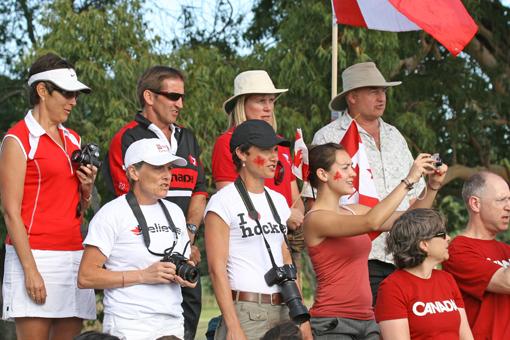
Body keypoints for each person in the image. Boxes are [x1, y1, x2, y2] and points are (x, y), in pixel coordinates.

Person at [302, 62, 426, 306]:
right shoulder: (329, 136)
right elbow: (313, 202)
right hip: (358, 259)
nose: (381, 98)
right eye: (373, 91)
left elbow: (414, 203)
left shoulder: (395, 136)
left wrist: (432, 186)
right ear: (352, 97)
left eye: (384, 92)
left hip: (404, 256)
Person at [101, 66, 207, 339]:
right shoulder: (127, 138)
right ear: (149, 96)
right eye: (173, 96)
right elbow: (128, 202)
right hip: (144, 269)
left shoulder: (189, 137)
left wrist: (188, 239)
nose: (180, 104)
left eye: (182, 97)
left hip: (184, 258)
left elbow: (200, 190)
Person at [303, 143, 446, 339]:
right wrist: (409, 180)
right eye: (345, 168)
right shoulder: (314, 219)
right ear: (322, 174)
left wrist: (432, 186)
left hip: (368, 320)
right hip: (334, 323)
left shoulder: (354, 210)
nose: (353, 173)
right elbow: (371, 222)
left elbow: (409, 218)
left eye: (352, 166)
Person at [0, 53, 96, 340]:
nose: (74, 101)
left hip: (74, 255)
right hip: (34, 256)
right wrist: (30, 271)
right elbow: (10, 212)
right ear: (42, 91)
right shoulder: (17, 140)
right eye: (67, 93)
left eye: (76, 95)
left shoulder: (74, 139)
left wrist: (88, 190)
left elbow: (79, 207)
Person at [78, 138, 198, 340]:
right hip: (129, 323)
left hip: (173, 322)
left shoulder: (175, 212)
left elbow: (180, 264)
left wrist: (184, 278)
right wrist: (143, 275)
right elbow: (86, 277)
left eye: (169, 168)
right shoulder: (112, 213)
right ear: (134, 172)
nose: (167, 176)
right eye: (159, 168)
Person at [205, 120, 312, 340]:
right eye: (265, 150)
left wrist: (303, 319)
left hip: (285, 308)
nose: (275, 157)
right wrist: (233, 326)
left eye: (275, 150)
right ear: (241, 153)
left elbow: (286, 259)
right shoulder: (222, 202)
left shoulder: (279, 201)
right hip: (246, 310)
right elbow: (217, 269)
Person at [212, 70, 306, 272]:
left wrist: (297, 219)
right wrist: (283, 217)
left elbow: (294, 197)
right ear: (241, 104)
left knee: (293, 301)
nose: (268, 107)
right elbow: (229, 201)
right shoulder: (226, 143)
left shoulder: (280, 144)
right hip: (251, 244)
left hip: (287, 239)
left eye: (271, 100)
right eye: (260, 101)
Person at [374, 209, 473, 340]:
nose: (448, 238)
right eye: (442, 234)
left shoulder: (447, 279)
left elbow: (466, 337)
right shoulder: (392, 287)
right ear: (424, 244)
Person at [442, 171, 510, 340]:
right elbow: (507, 282)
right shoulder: (457, 251)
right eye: (501, 200)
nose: (508, 206)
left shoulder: (505, 249)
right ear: (475, 204)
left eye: (509, 200)